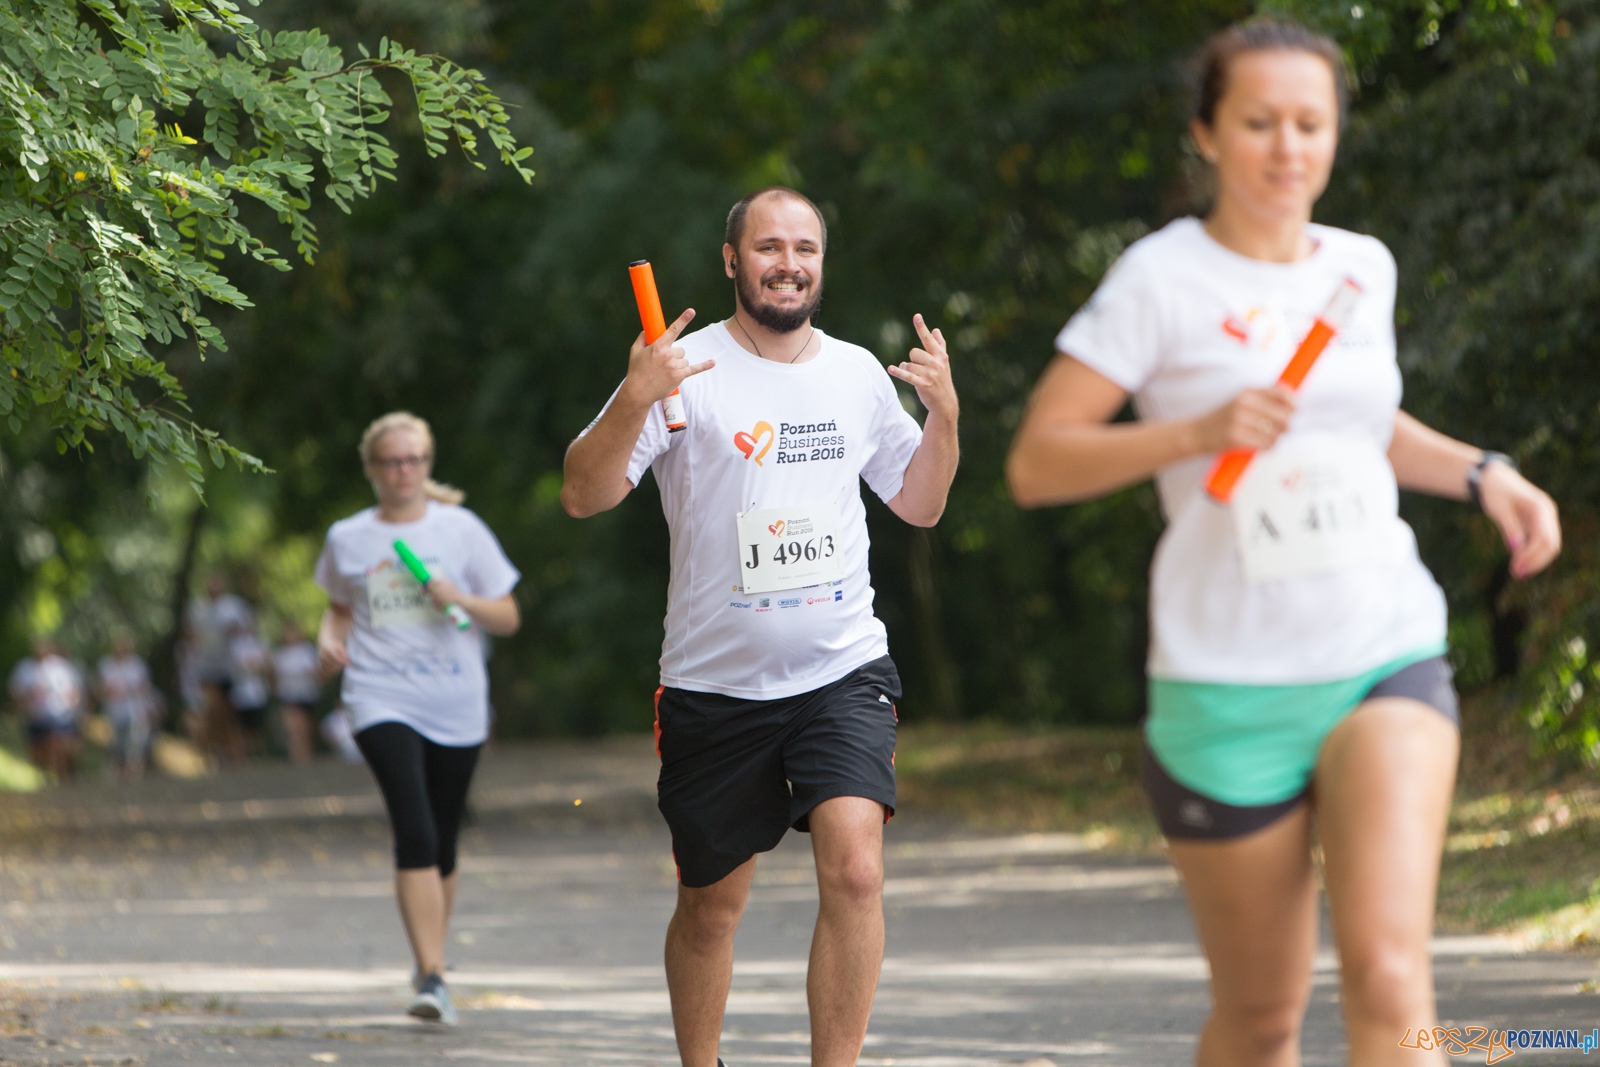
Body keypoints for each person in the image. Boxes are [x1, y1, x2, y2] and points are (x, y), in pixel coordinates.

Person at [1006, 18, 1562, 1067]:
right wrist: (1195, 432)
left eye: (1309, 123)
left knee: (1391, 977)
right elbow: (1037, 461)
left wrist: (1484, 473)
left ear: (1336, 134)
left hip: (1378, 650)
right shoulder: (1158, 279)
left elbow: (1360, 426)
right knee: (1261, 1018)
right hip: (1224, 684)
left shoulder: (1360, 268)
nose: (1287, 147)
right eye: (1258, 122)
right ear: (1207, 134)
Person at [562, 185, 960, 1067]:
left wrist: (947, 419)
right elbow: (583, 492)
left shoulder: (855, 371)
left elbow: (922, 503)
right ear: (732, 260)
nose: (789, 263)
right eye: (769, 246)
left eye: (805, 248)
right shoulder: (681, 369)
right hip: (715, 686)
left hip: (842, 669)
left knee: (857, 869)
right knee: (712, 904)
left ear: (822, 262)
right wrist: (634, 396)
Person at [315, 411, 521, 1027]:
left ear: (428, 465)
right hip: (380, 697)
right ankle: (432, 975)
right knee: (416, 830)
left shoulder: (461, 530)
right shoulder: (348, 538)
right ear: (371, 469)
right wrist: (329, 641)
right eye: (391, 462)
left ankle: (430, 956)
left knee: (445, 840)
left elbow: (508, 616)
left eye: (414, 460)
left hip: (455, 701)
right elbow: (337, 608)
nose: (404, 471)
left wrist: (461, 598)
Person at [183, 572, 252, 764]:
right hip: (206, 666)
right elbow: (190, 636)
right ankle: (212, 750)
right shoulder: (197, 608)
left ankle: (230, 750)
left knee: (227, 712)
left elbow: (247, 631)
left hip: (229, 666)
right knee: (212, 706)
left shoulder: (234, 606)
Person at [8, 637, 86, 779]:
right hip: (34, 716)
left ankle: (61, 775)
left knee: (57, 742)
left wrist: (73, 708)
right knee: (37, 748)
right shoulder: (24, 668)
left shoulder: (61, 667)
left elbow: (73, 691)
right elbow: (15, 692)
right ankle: (45, 773)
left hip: (59, 716)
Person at [96, 633, 158, 781]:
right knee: (117, 742)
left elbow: (145, 687)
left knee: (134, 742)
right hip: (114, 710)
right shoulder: (107, 665)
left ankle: (134, 771)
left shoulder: (137, 665)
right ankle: (120, 770)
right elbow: (101, 688)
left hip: (135, 710)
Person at [272, 620, 321, 765]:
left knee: (303, 724)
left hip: (305, 694)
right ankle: (296, 753)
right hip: (288, 693)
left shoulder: (307, 651)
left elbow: (315, 672)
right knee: (291, 724)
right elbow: (274, 674)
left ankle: (306, 751)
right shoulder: (280, 654)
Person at [228, 622, 271, 758]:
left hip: (257, 693)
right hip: (240, 694)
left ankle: (258, 754)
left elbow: (265, 664)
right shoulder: (234, 645)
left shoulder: (260, 643)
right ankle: (243, 755)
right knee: (240, 725)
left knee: (257, 726)